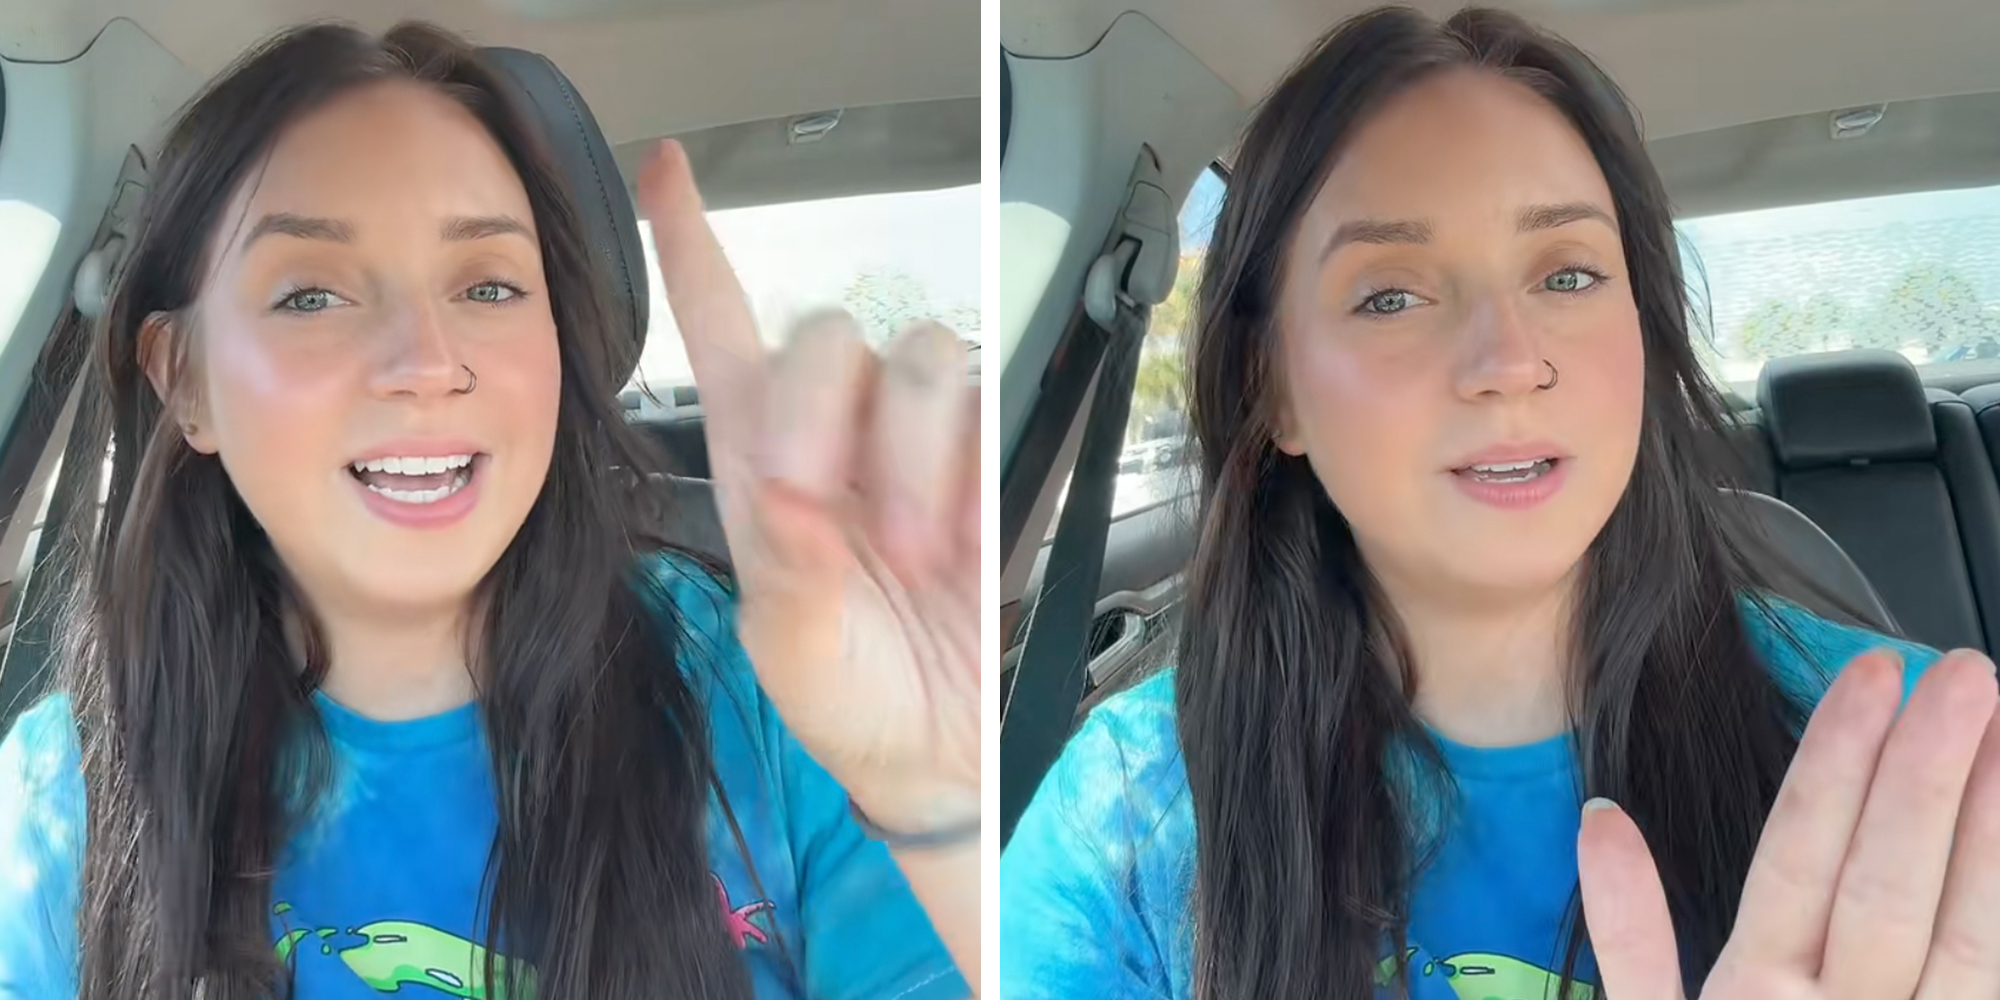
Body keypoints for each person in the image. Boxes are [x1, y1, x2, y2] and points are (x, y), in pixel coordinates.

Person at [999, 7, 2000, 1000]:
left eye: (1566, 274)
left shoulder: (1923, 756)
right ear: (1273, 387)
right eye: (1389, 294)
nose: (1508, 363)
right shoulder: (1120, 829)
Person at [0, 21, 978, 1000]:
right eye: (310, 296)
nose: (427, 361)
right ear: (185, 381)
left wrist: (931, 803)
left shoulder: (763, 678)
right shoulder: (66, 797)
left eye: (489, 284)